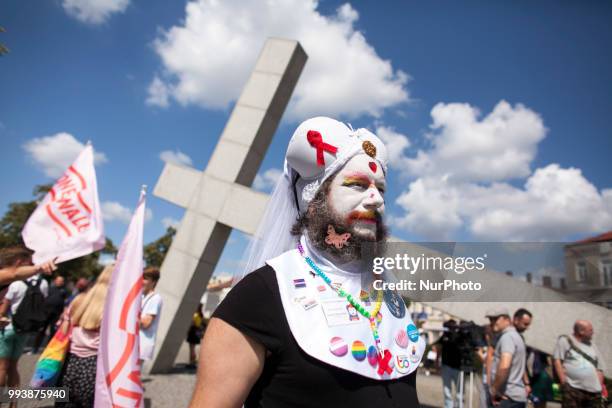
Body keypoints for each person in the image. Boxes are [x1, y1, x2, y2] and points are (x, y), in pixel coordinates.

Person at [190, 117, 425, 407]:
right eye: (357, 185)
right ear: (314, 203)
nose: (377, 199)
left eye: (381, 189)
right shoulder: (258, 295)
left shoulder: (387, 292)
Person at [55, 264, 113, 408]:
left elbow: (63, 330)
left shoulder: (79, 299)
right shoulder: (112, 307)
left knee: (62, 403)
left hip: (68, 362)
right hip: (93, 365)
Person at [0, 250, 50, 395]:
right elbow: (14, 274)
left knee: (3, 368)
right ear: (18, 263)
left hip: (9, 328)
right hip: (23, 328)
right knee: (12, 367)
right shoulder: (42, 283)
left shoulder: (14, 284)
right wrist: (38, 268)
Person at [553, 320, 606, 408]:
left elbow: (600, 368)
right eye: (590, 330)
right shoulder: (566, 340)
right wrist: (564, 383)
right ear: (581, 331)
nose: (593, 333)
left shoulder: (592, 345)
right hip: (573, 389)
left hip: (593, 392)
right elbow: (557, 360)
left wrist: (599, 387)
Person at [487, 307, 527, 408]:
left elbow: (504, 366)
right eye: (490, 319)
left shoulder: (508, 337)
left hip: (508, 398)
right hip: (514, 397)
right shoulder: (515, 336)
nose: (492, 322)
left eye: (496, 319)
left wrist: (493, 390)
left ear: (507, 319)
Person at [33, 275, 69, 353]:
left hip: (56, 314)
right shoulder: (49, 288)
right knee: (41, 330)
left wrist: (63, 313)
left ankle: (48, 349)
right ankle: (35, 348)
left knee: (53, 332)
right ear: (55, 281)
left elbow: (66, 303)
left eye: (61, 281)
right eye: (58, 280)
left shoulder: (64, 291)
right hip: (45, 312)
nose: (59, 282)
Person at [436, 319, 463, 408]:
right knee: (447, 391)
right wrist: (437, 362)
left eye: (452, 326)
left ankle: (459, 406)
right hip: (446, 366)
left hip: (458, 368)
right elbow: (438, 349)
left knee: (460, 392)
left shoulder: (460, 336)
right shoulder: (444, 336)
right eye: (449, 326)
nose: (450, 328)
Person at [139, 267, 162, 363]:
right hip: (135, 344)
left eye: (145, 278)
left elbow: (146, 323)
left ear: (153, 282)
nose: (142, 281)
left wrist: (128, 316)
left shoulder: (155, 298)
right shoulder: (142, 296)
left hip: (141, 345)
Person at [186, 304, 206, 369]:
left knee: (191, 349)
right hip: (197, 332)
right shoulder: (201, 315)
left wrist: (188, 330)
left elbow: (192, 323)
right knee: (193, 348)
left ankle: (191, 363)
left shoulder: (195, 315)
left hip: (193, 331)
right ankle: (193, 362)